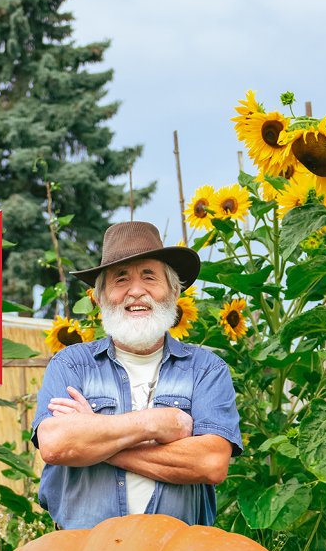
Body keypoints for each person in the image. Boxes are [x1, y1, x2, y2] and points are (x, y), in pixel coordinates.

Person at [31, 221, 243, 530]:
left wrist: (94, 440)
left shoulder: (206, 369)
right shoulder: (72, 364)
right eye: (120, 279)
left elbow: (210, 463)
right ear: (100, 297)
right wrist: (156, 423)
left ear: (173, 291)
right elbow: (57, 444)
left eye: (149, 276)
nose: (136, 291)